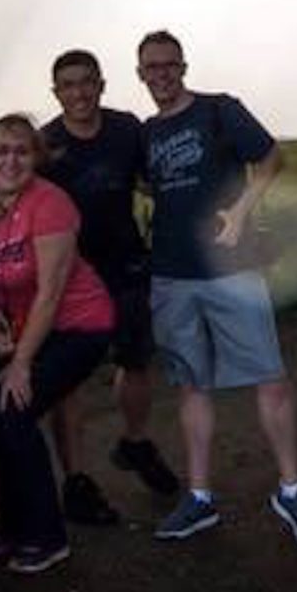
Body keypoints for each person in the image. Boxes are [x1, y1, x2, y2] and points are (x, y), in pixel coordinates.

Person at [135, 30, 297, 547]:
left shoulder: (220, 110)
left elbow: (271, 158)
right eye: (150, 69)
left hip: (232, 272)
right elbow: (146, 183)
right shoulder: (146, 133)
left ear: (183, 66)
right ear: (140, 75)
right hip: (173, 275)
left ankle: (292, 491)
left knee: (270, 378)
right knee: (191, 385)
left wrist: (241, 211)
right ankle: (200, 499)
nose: (160, 76)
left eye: (168, 66)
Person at [0, 115, 118, 574]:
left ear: (36, 157)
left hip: (77, 325)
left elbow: (50, 292)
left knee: (13, 415)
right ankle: (9, 523)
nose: (10, 160)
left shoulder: (50, 205)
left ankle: (46, 535)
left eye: (21, 151)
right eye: (0, 151)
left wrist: (21, 364)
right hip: (15, 330)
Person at [39, 49, 180, 520]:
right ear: (55, 93)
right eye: (68, 85)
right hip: (69, 275)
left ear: (101, 84)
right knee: (68, 382)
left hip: (126, 264)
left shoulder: (126, 129)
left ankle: (135, 442)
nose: (78, 92)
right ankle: (76, 482)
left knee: (135, 360)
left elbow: (153, 181)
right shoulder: (46, 145)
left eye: (86, 82)